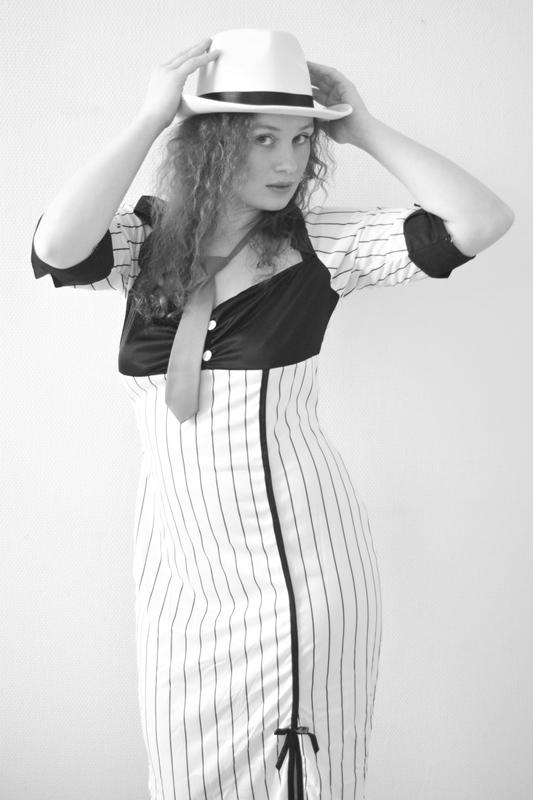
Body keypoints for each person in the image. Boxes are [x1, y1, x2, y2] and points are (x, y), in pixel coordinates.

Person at [30, 28, 514, 800]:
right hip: (182, 577)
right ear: (212, 144)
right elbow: (58, 245)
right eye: (262, 138)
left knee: (306, 776)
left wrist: (361, 127)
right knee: (182, 775)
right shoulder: (143, 243)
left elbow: (480, 221)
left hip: (304, 569)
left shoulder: (320, 247)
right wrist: (151, 117)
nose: (288, 161)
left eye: (300, 138)